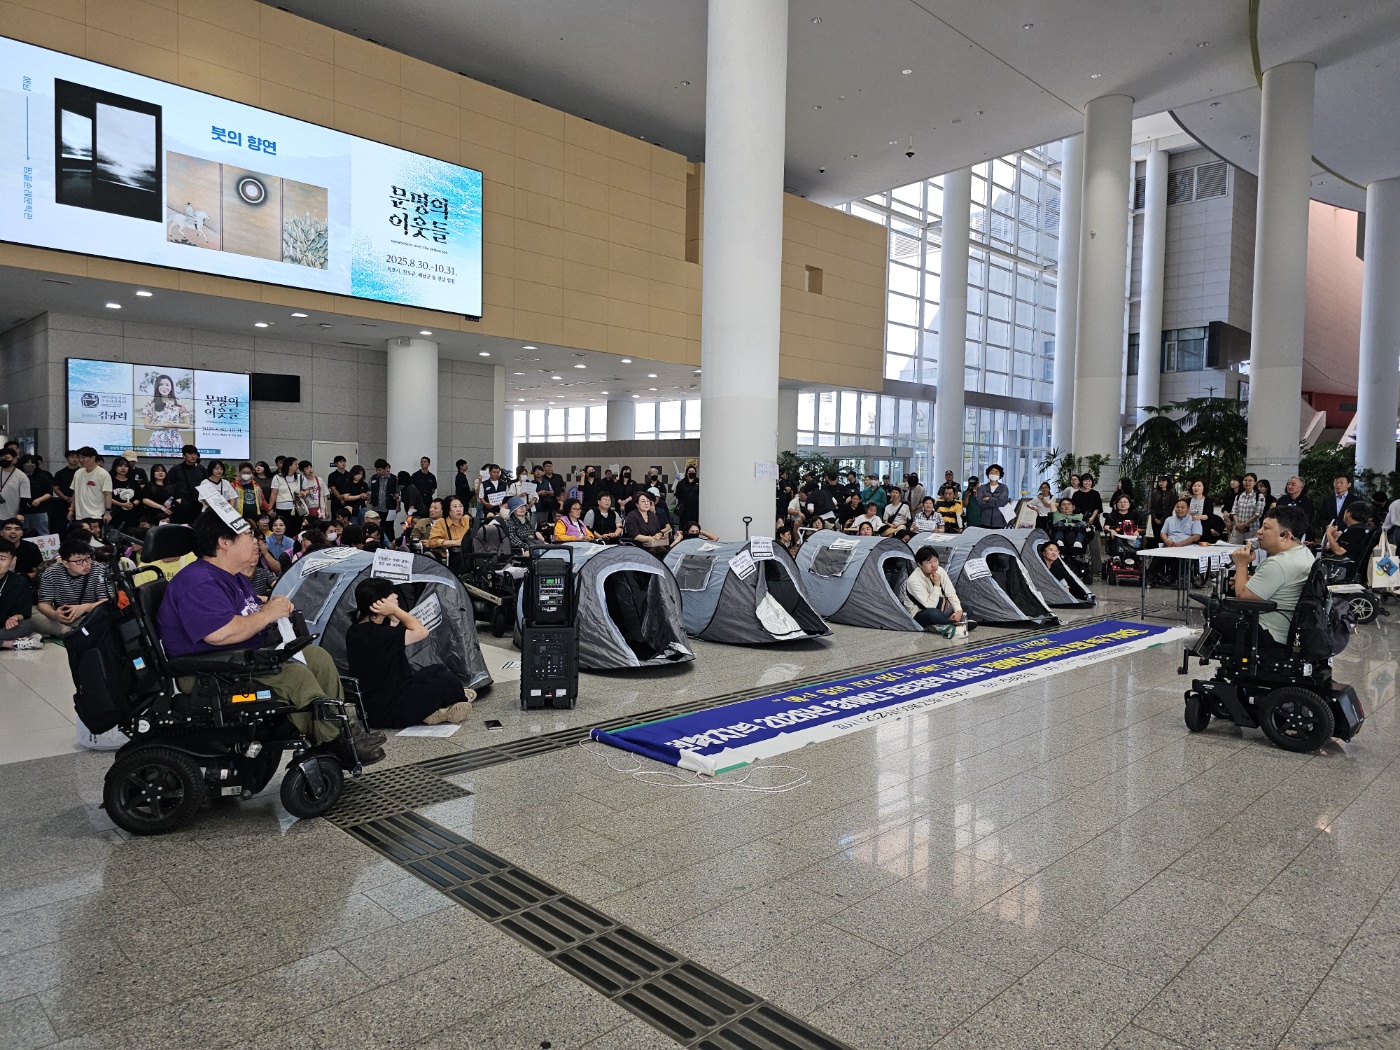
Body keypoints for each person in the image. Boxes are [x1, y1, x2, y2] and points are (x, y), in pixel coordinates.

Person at [157, 509, 384, 762]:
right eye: (248, 535)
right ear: (224, 542)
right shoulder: (198, 582)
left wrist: (272, 604)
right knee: (295, 675)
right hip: (211, 670)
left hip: (242, 659)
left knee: (317, 658)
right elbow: (219, 633)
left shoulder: (229, 576)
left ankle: (334, 733)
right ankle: (335, 740)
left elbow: (250, 609)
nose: (256, 541)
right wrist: (267, 613)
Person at [345, 578, 476, 729]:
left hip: (374, 707)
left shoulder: (355, 631)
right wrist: (396, 611)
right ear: (379, 603)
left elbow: (390, 635)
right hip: (392, 711)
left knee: (436, 670)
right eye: (390, 593)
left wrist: (392, 616)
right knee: (447, 679)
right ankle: (452, 700)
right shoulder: (380, 635)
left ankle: (437, 707)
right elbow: (421, 632)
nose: (396, 596)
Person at [1211, 505, 1314, 650]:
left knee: (1213, 611)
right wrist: (1248, 579)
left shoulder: (1278, 563)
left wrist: (1241, 564)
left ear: (1286, 536)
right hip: (1289, 628)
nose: (1259, 532)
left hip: (1269, 633)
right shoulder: (1303, 552)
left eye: (1266, 528)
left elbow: (1243, 597)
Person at [31, 534, 108, 638]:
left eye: (88, 558)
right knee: (31, 613)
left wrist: (84, 608)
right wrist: (55, 614)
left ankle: (70, 631)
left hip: (88, 615)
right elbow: (44, 603)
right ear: (66, 563)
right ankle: (68, 631)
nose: (86, 564)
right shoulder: (51, 572)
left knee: (106, 617)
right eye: (79, 561)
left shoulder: (99, 570)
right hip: (61, 617)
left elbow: (106, 601)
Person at [902, 546, 975, 639]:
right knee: (933, 614)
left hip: (942, 608)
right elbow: (929, 606)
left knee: (967, 608)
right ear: (919, 564)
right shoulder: (914, 580)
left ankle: (945, 625)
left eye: (935, 560)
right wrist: (937, 585)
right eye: (928, 562)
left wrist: (958, 611)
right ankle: (957, 625)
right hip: (921, 612)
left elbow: (951, 593)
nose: (933, 565)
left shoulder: (940, 571)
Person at [0, 540, 41, 650]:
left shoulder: (19, 582)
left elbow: (23, 612)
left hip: (6, 627)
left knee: (27, 624)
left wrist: (15, 618)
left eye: (2, 559)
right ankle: (10, 644)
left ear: (13, 561)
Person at [139, 373, 193, 452]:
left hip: (174, 440)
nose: (164, 387)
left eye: (167, 385)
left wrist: (173, 425)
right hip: (157, 441)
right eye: (161, 384)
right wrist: (162, 426)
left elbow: (187, 424)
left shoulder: (178, 403)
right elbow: (146, 424)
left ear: (171, 387)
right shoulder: (151, 403)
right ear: (157, 387)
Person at [70, 447, 114, 527]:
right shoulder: (78, 473)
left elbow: (107, 494)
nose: (81, 460)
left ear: (93, 458)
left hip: (96, 515)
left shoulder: (103, 474)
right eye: (80, 457)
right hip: (80, 515)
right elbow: (75, 492)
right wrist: (72, 509)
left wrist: (107, 512)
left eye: (84, 457)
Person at [1322, 503, 1372, 571]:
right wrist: (1333, 538)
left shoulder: (1356, 531)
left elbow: (1339, 551)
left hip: (1341, 569)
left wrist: (1329, 533)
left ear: (1349, 513)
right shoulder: (1363, 529)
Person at [166, 445, 207, 525]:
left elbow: (206, 484)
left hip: (198, 504)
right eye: (190, 454)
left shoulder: (201, 469)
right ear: (184, 455)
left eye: (195, 454)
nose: (193, 456)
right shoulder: (176, 469)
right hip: (182, 505)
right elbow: (169, 486)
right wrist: (173, 501)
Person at [427, 496, 471, 567]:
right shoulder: (440, 523)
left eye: (460, 506)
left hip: (468, 555)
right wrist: (454, 542)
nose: (459, 509)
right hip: (449, 558)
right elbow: (432, 542)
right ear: (448, 509)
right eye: (455, 506)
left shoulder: (468, 521)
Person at [17, 454, 54, 537]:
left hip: (39, 510)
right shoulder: (18, 476)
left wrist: (39, 500)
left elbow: (49, 493)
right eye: (27, 464)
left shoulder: (42, 477)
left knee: (42, 532)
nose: (30, 466)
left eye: (32, 464)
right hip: (21, 511)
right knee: (22, 533)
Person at [1226, 472, 1264, 544]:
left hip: (1252, 529)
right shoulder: (1239, 496)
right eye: (1245, 480)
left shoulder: (1259, 496)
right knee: (1232, 547)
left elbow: (1258, 513)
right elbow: (1234, 511)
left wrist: (1244, 525)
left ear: (1255, 483)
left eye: (1250, 481)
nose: (1247, 482)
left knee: (1252, 548)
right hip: (1237, 529)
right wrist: (1237, 525)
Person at [0, 446, 32, 531]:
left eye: (7, 458)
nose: (3, 460)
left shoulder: (21, 476)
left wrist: (21, 513)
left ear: (14, 460)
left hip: (11, 515)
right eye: (1, 458)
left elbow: (25, 497)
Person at [270, 459, 305, 535]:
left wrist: (304, 494)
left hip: (297, 507)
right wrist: (270, 508)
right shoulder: (277, 477)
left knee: (296, 528)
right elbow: (273, 494)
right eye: (295, 464)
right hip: (282, 508)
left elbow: (307, 489)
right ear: (289, 466)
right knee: (284, 528)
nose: (298, 466)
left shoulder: (300, 477)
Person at [108, 458, 143, 533]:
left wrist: (133, 504)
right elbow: (107, 497)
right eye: (120, 466)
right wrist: (122, 504)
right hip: (114, 515)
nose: (123, 468)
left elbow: (139, 498)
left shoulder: (133, 483)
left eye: (126, 466)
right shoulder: (109, 481)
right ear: (115, 467)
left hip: (131, 516)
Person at [50, 450, 80, 533]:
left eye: (77, 457)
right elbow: (56, 488)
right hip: (63, 503)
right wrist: (66, 498)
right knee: (62, 525)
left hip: (80, 503)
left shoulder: (82, 472)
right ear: (67, 458)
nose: (75, 459)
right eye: (72, 457)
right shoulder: (60, 473)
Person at [977, 464, 1011, 529]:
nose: (994, 474)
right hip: (984, 521)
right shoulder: (982, 488)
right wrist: (996, 502)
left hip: (999, 521)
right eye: (992, 472)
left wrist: (989, 499)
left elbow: (1002, 502)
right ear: (988, 474)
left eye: (996, 472)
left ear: (1000, 474)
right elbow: (980, 503)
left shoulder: (1003, 488)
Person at [1148, 476, 1177, 546]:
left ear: (1167, 482)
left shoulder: (1171, 494)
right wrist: (1155, 518)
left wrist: (1162, 519)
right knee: (1156, 536)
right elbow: (1151, 507)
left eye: (1163, 481)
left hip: (1166, 518)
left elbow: (1171, 507)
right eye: (1160, 481)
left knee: (1165, 536)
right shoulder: (1155, 493)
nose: (1161, 483)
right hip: (1155, 518)